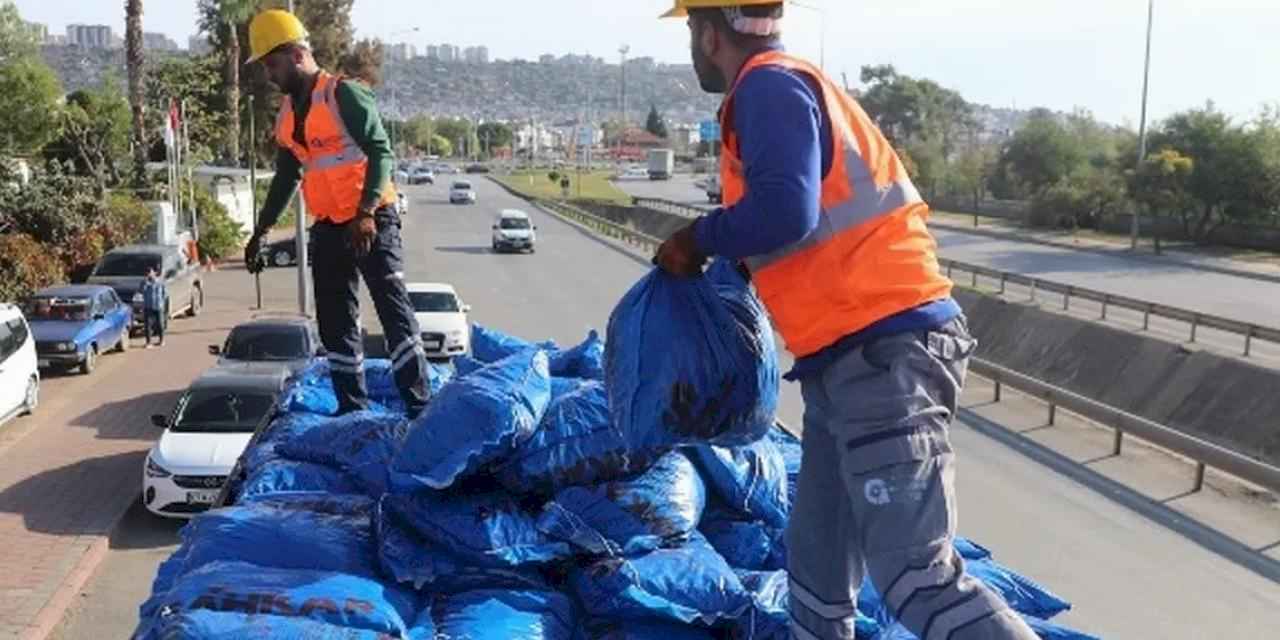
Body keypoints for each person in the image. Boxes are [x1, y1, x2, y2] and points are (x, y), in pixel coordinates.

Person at [655, 3, 1040, 639]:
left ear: (706, 31)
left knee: (916, 578)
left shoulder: (768, 88)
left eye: (691, 34)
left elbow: (786, 210)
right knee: (818, 575)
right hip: (845, 360)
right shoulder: (784, 88)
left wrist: (697, 240)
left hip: (887, 354)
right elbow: (804, 230)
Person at [242, 9, 430, 418]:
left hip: (371, 219)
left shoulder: (343, 93)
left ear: (295, 54)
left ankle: (420, 407)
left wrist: (365, 213)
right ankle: (352, 411)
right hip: (328, 227)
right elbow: (286, 176)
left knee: (393, 310)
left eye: (271, 64)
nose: (268, 75)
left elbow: (382, 151)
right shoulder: (288, 117)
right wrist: (261, 230)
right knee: (335, 323)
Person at [140, 267, 167, 348]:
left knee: (160, 324)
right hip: (148, 306)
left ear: (154, 273)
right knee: (147, 325)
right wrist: (145, 284)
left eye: (150, 272)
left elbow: (164, 293)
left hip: (158, 306)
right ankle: (148, 342)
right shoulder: (144, 282)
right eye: (147, 273)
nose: (149, 274)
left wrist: (162, 303)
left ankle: (161, 340)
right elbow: (141, 291)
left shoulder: (159, 282)